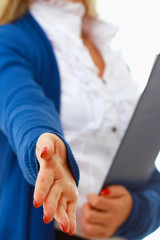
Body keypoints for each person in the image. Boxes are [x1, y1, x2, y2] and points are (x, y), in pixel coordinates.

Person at [0, 0, 160, 240]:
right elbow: (21, 105)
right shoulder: (10, 40)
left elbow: (147, 174)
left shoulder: (109, 54)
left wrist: (133, 211)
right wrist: (47, 145)